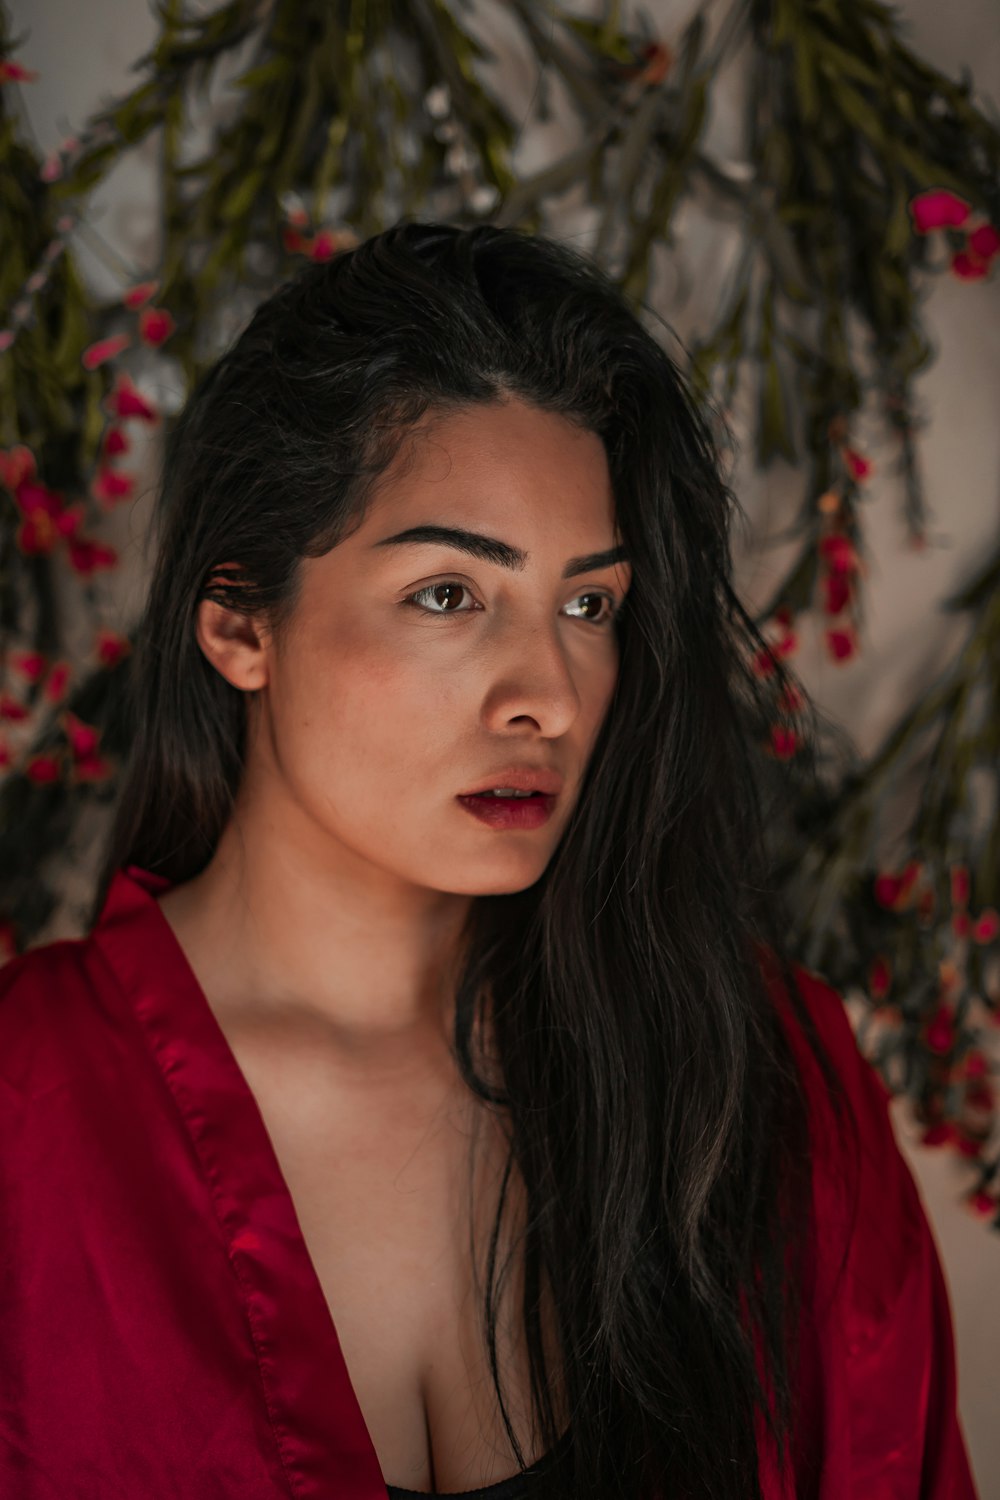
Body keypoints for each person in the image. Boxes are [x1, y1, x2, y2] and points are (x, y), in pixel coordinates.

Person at [0, 221, 978, 1500]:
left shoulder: (758, 1078)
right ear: (240, 623)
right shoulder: (29, 1117)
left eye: (589, 607)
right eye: (449, 595)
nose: (550, 700)